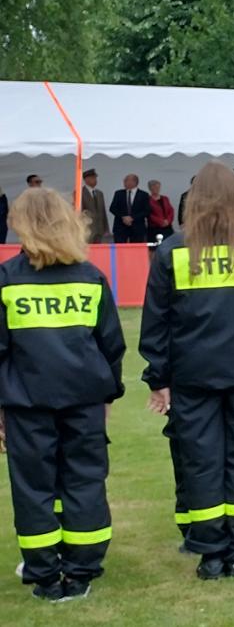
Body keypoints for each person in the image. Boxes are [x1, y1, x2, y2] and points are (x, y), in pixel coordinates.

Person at [141, 162, 234, 580]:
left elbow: (156, 322)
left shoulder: (174, 251)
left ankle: (210, 553)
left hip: (194, 377)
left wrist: (159, 379)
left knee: (201, 462)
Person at [0, 188, 126, 602]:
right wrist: (108, 394)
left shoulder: (7, 279)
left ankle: (43, 573)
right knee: (84, 482)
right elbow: (111, 345)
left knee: (34, 488)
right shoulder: (90, 278)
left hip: (26, 403)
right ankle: (81, 569)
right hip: (83, 400)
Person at [109, 174, 150, 245]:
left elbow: (146, 211)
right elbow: (113, 208)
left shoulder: (144, 195)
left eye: (126, 180)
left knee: (136, 250)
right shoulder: (118, 193)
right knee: (119, 250)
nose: (124, 182)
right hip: (120, 227)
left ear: (135, 182)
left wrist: (132, 218)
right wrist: (123, 217)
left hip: (137, 227)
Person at [79, 169, 106, 244]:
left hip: (99, 229)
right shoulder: (80, 192)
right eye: (92, 178)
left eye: (95, 178)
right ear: (86, 179)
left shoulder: (99, 193)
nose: (95, 180)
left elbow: (103, 212)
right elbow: (79, 211)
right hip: (87, 228)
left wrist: (106, 228)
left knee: (98, 250)